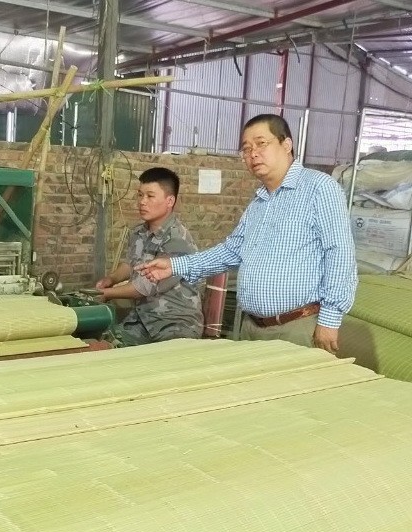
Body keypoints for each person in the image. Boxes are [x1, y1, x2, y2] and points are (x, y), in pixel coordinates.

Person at [137, 114, 357, 354]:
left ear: (286, 145)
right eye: (246, 148)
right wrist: (175, 266)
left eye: (261, 144)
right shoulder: (260, 200)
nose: (252, 153)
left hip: (296, 327)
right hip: (251, 327)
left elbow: (340, 253)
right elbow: (231, 251)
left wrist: (330, 319)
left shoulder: (319, 188)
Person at [95, 167, 204, 346]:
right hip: (142, 320)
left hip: (174, 324)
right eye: (140, 195)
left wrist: (106, 294)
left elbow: (145, 287)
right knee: (105, 349)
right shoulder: (139, 232)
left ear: (170, 201)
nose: (142, 202)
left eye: (150, 196)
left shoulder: (177, 239)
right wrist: (111, 279)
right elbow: (130, 264)